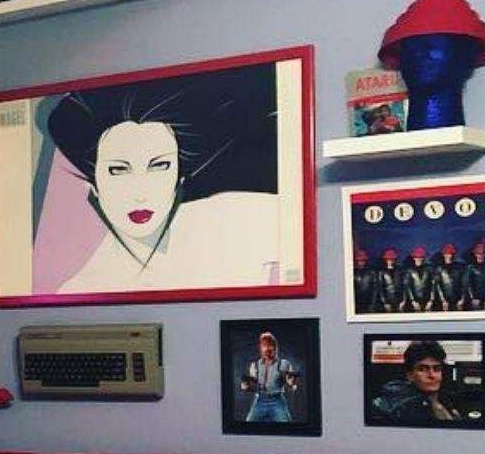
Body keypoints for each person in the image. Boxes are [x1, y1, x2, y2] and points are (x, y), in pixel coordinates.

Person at [45, 67, 286, 294]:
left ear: (179, 176)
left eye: (159, 166)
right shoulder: (83, 287)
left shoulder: (233, 217)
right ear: (94, 186)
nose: (140, 194)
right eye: (118, 170)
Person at [370, 339, 462, 424]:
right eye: (423, 369)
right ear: (410, 375)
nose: (432, 375)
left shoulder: (446, 399)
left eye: (437, 369)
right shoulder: (399, 407)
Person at [239, 331, 301, 423]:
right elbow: (253, 386)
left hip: (277, 401)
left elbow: (293, 387)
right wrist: (246, 386)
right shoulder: (255, 365)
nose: (267, 349)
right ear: (261, 348)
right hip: (260, 401)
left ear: (275, 348)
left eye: (270, 345)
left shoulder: (284, 364)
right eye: (264, 346)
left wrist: (291, 384)